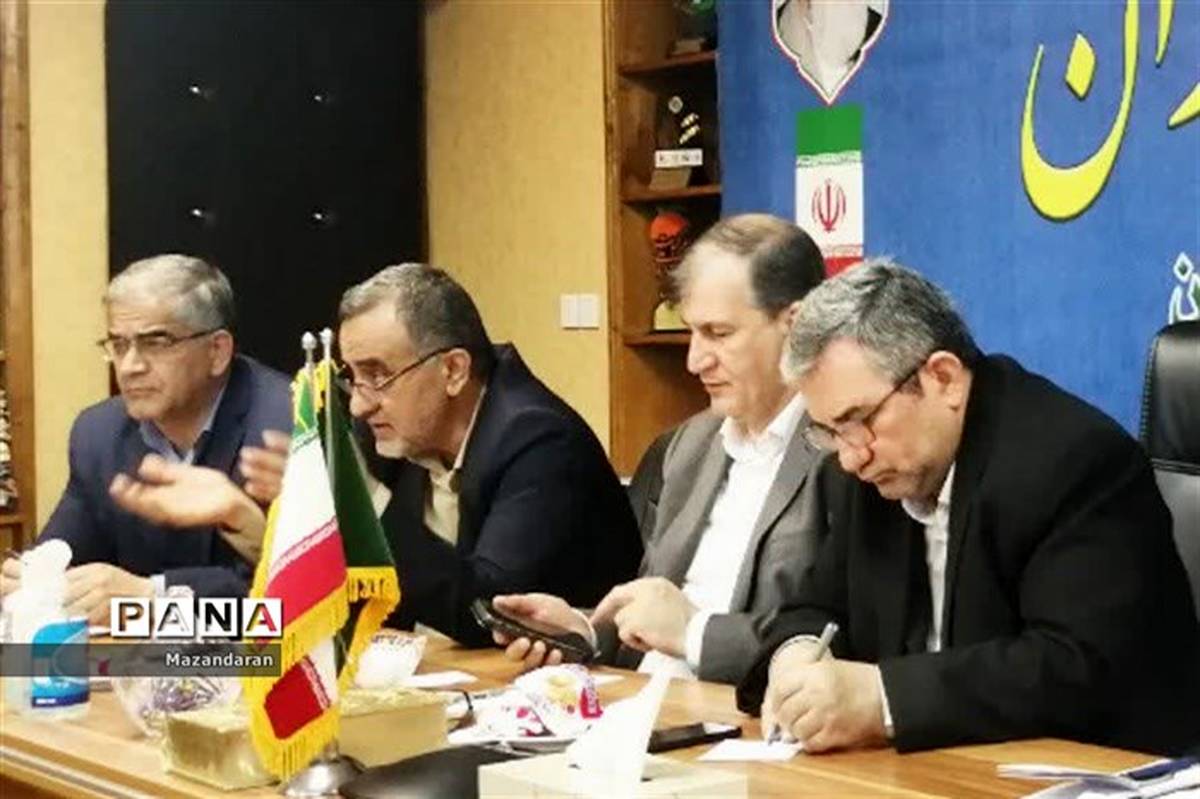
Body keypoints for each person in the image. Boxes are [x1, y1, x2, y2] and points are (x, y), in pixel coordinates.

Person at [737, 260, 1200, 755]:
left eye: (860, 420)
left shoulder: (1070, 460)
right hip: (936, 767)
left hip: (1092, 767)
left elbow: (1074, 666)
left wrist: (883, 699)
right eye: (831, 432)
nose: (851, 456)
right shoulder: (870, 471)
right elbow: (815, 607)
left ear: (944, 378)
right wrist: (795, 658)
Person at [112, 263, 644, 646]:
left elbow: (486, 614)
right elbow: (334, 591)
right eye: (352, 375)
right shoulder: (390, 426)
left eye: (378, 374)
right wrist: (245, 518)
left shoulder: (540, 442)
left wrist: (359, 501)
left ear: (453, 370)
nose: (359, 404)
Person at [494, 214, 830, 684]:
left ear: (794, 325)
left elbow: (834, 642)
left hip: (748, 710)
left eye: (719, 333)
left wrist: (695, 634)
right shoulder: (689, 446)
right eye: (691, 332)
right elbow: (655, 616)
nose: (694, 361)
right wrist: (584, 631)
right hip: (646, 703)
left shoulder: (844, 455)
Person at [0, 255, 290, 623]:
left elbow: (283, 606)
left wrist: (151, 600)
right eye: (119, 345)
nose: (129, 366)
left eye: (156, 343)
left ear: (217, 351)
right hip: (143, 658)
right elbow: (66, 552)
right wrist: (34, 580)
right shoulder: (99, 433)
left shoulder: (286, 428)